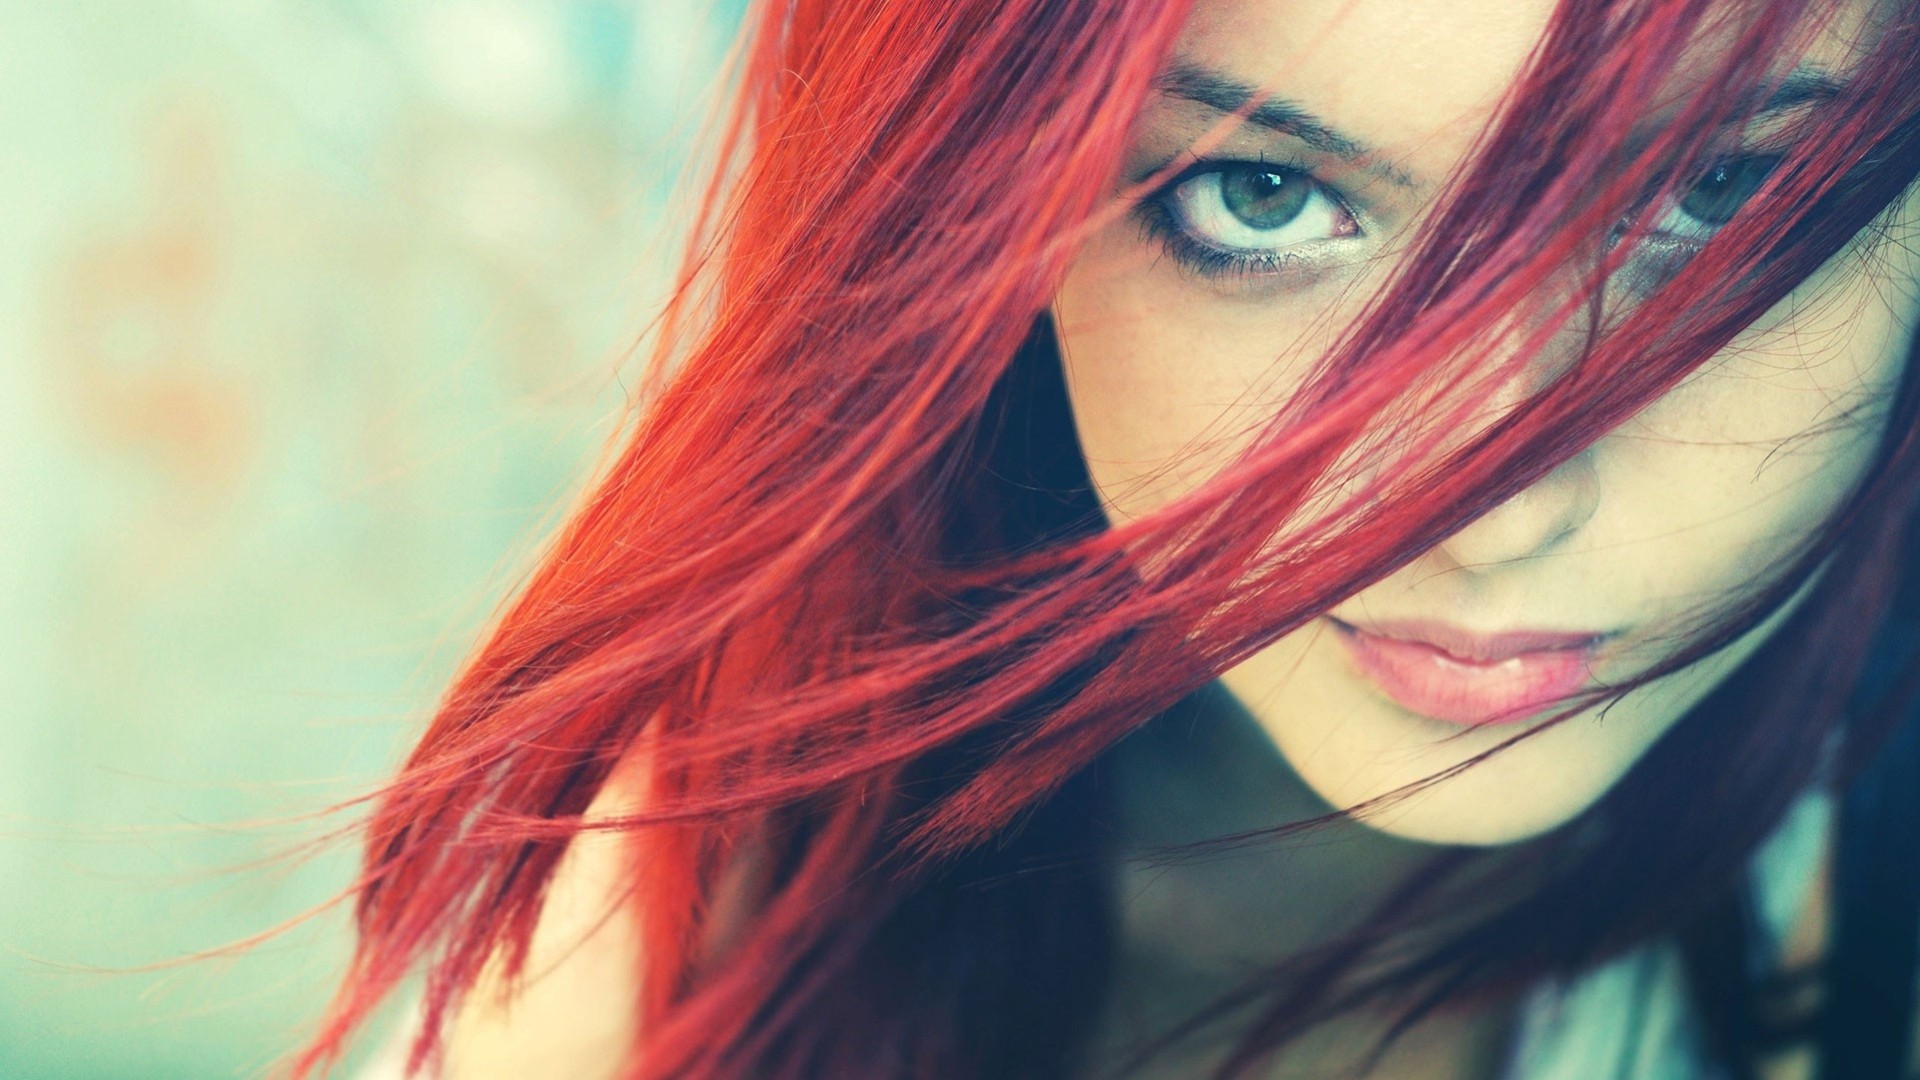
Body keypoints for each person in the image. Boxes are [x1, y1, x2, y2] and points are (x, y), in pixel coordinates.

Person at [297, 0, 1920, 1077]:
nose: (1494, 502)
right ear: (992, 234)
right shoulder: (706, 879)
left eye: (1725, 194)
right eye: (1266, 198)